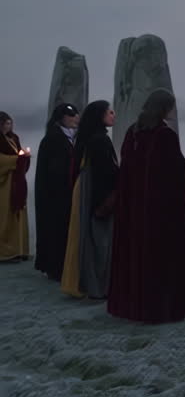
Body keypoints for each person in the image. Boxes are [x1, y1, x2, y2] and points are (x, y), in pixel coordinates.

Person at [107, 89, 185, 324]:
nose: (174, 111)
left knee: (137, 254)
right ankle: (159, 306)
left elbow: (129, 173)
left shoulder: (133, 132)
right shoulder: (165, 135)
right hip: (159, 214)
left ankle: (134, 304)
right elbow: (177, 174)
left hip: (134, 211)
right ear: (164, 108)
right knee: (160, 258)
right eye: (171, 106)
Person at [61, 101, 119, 300]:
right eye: (109, 112)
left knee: (91, 237)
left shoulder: (90, 137)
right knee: (99, 240)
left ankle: (94, 283)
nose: (113, 114)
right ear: (99, 116)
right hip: (95, 192)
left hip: (87, 190)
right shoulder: (99, 140)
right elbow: (106, 172)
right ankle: (98, 286)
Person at [34, 103, 80, 281]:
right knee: (55, 231)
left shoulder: (69, 138)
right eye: (71, 115)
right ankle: (55, 267)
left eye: (76, 114)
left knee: (63, 231)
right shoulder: (53, 139)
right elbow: (53, 170)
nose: (75, 118)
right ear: (61, 118)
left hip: (65, 194)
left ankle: (61, 266)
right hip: (55, 196)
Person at [0, 113, 31, 264]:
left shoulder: (14, 138)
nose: (8, 126)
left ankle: (20, 249)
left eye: (10, 123)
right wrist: (16, 160)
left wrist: (24, 157)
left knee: (18, 212)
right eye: (5, 123)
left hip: (17, 181)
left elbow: (19, 156)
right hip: (4, 184)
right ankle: (6, 251)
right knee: (6, 214)